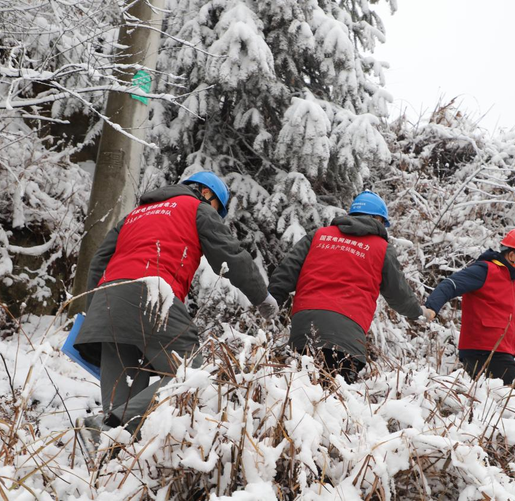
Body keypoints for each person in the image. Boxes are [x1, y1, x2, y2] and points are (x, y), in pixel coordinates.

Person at [74, 171, 279, 447]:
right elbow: (231, 256)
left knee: (121, 404)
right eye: (219, 209)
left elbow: (99, 260)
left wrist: (97, 312)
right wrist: (261, 297)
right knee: (194, 373)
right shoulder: (197, 209)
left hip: (107, 301)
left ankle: (107, 460)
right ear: (208, 195)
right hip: (152, 294)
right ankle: (111, 425)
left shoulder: (136, 214)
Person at [268, 190, 431, 383]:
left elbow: (284, 274)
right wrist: (418, 312)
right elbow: (399, 294)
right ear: (378, 218)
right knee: (334, 402)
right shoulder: (381, 248)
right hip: (347, 335)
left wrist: (268, 304)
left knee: (300, 394)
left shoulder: (318, 236)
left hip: (304, 328)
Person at [423, 227, 515, 386]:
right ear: (512, 256)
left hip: (498, 353)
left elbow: (514, 322)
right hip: (484, 352)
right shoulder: (484, 270)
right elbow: (451, 284)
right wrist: (431, 308)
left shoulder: (511, 282)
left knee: (502, 402)